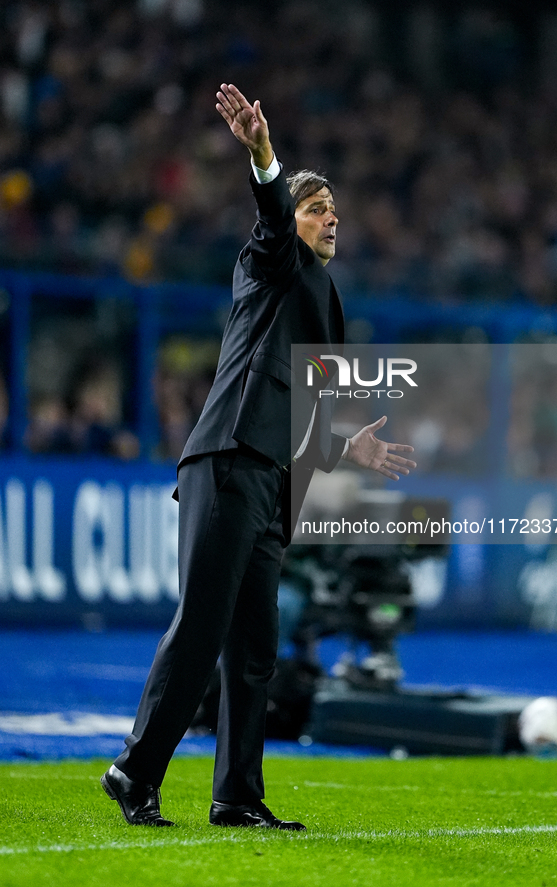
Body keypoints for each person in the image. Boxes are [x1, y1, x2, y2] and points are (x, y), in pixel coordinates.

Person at [101, 83, 416, 831]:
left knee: (252, 651)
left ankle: (236, 794)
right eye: (318, 208)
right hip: (228, 459)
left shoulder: (324, 295)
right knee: (203, 626)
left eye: (334, 211)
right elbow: (273, 213)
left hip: (271, 481)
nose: (330, 217)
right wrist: (265, 157)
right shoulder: (271, 258)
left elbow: (301, 411)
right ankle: (134, 768)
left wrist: (348, 444)